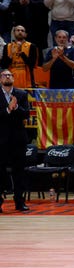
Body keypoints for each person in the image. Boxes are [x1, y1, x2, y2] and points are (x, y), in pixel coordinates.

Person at [0, 69, 31, 212]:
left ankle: (20, 202)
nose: (8, 77)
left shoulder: (21, 94)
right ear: (0, 79)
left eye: (10, 75)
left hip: (18, 140)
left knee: (19, 172)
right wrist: (8, 109)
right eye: (5, 75)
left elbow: (26, 114)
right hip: (1, 140)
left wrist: (16, 106)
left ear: (13, 78)